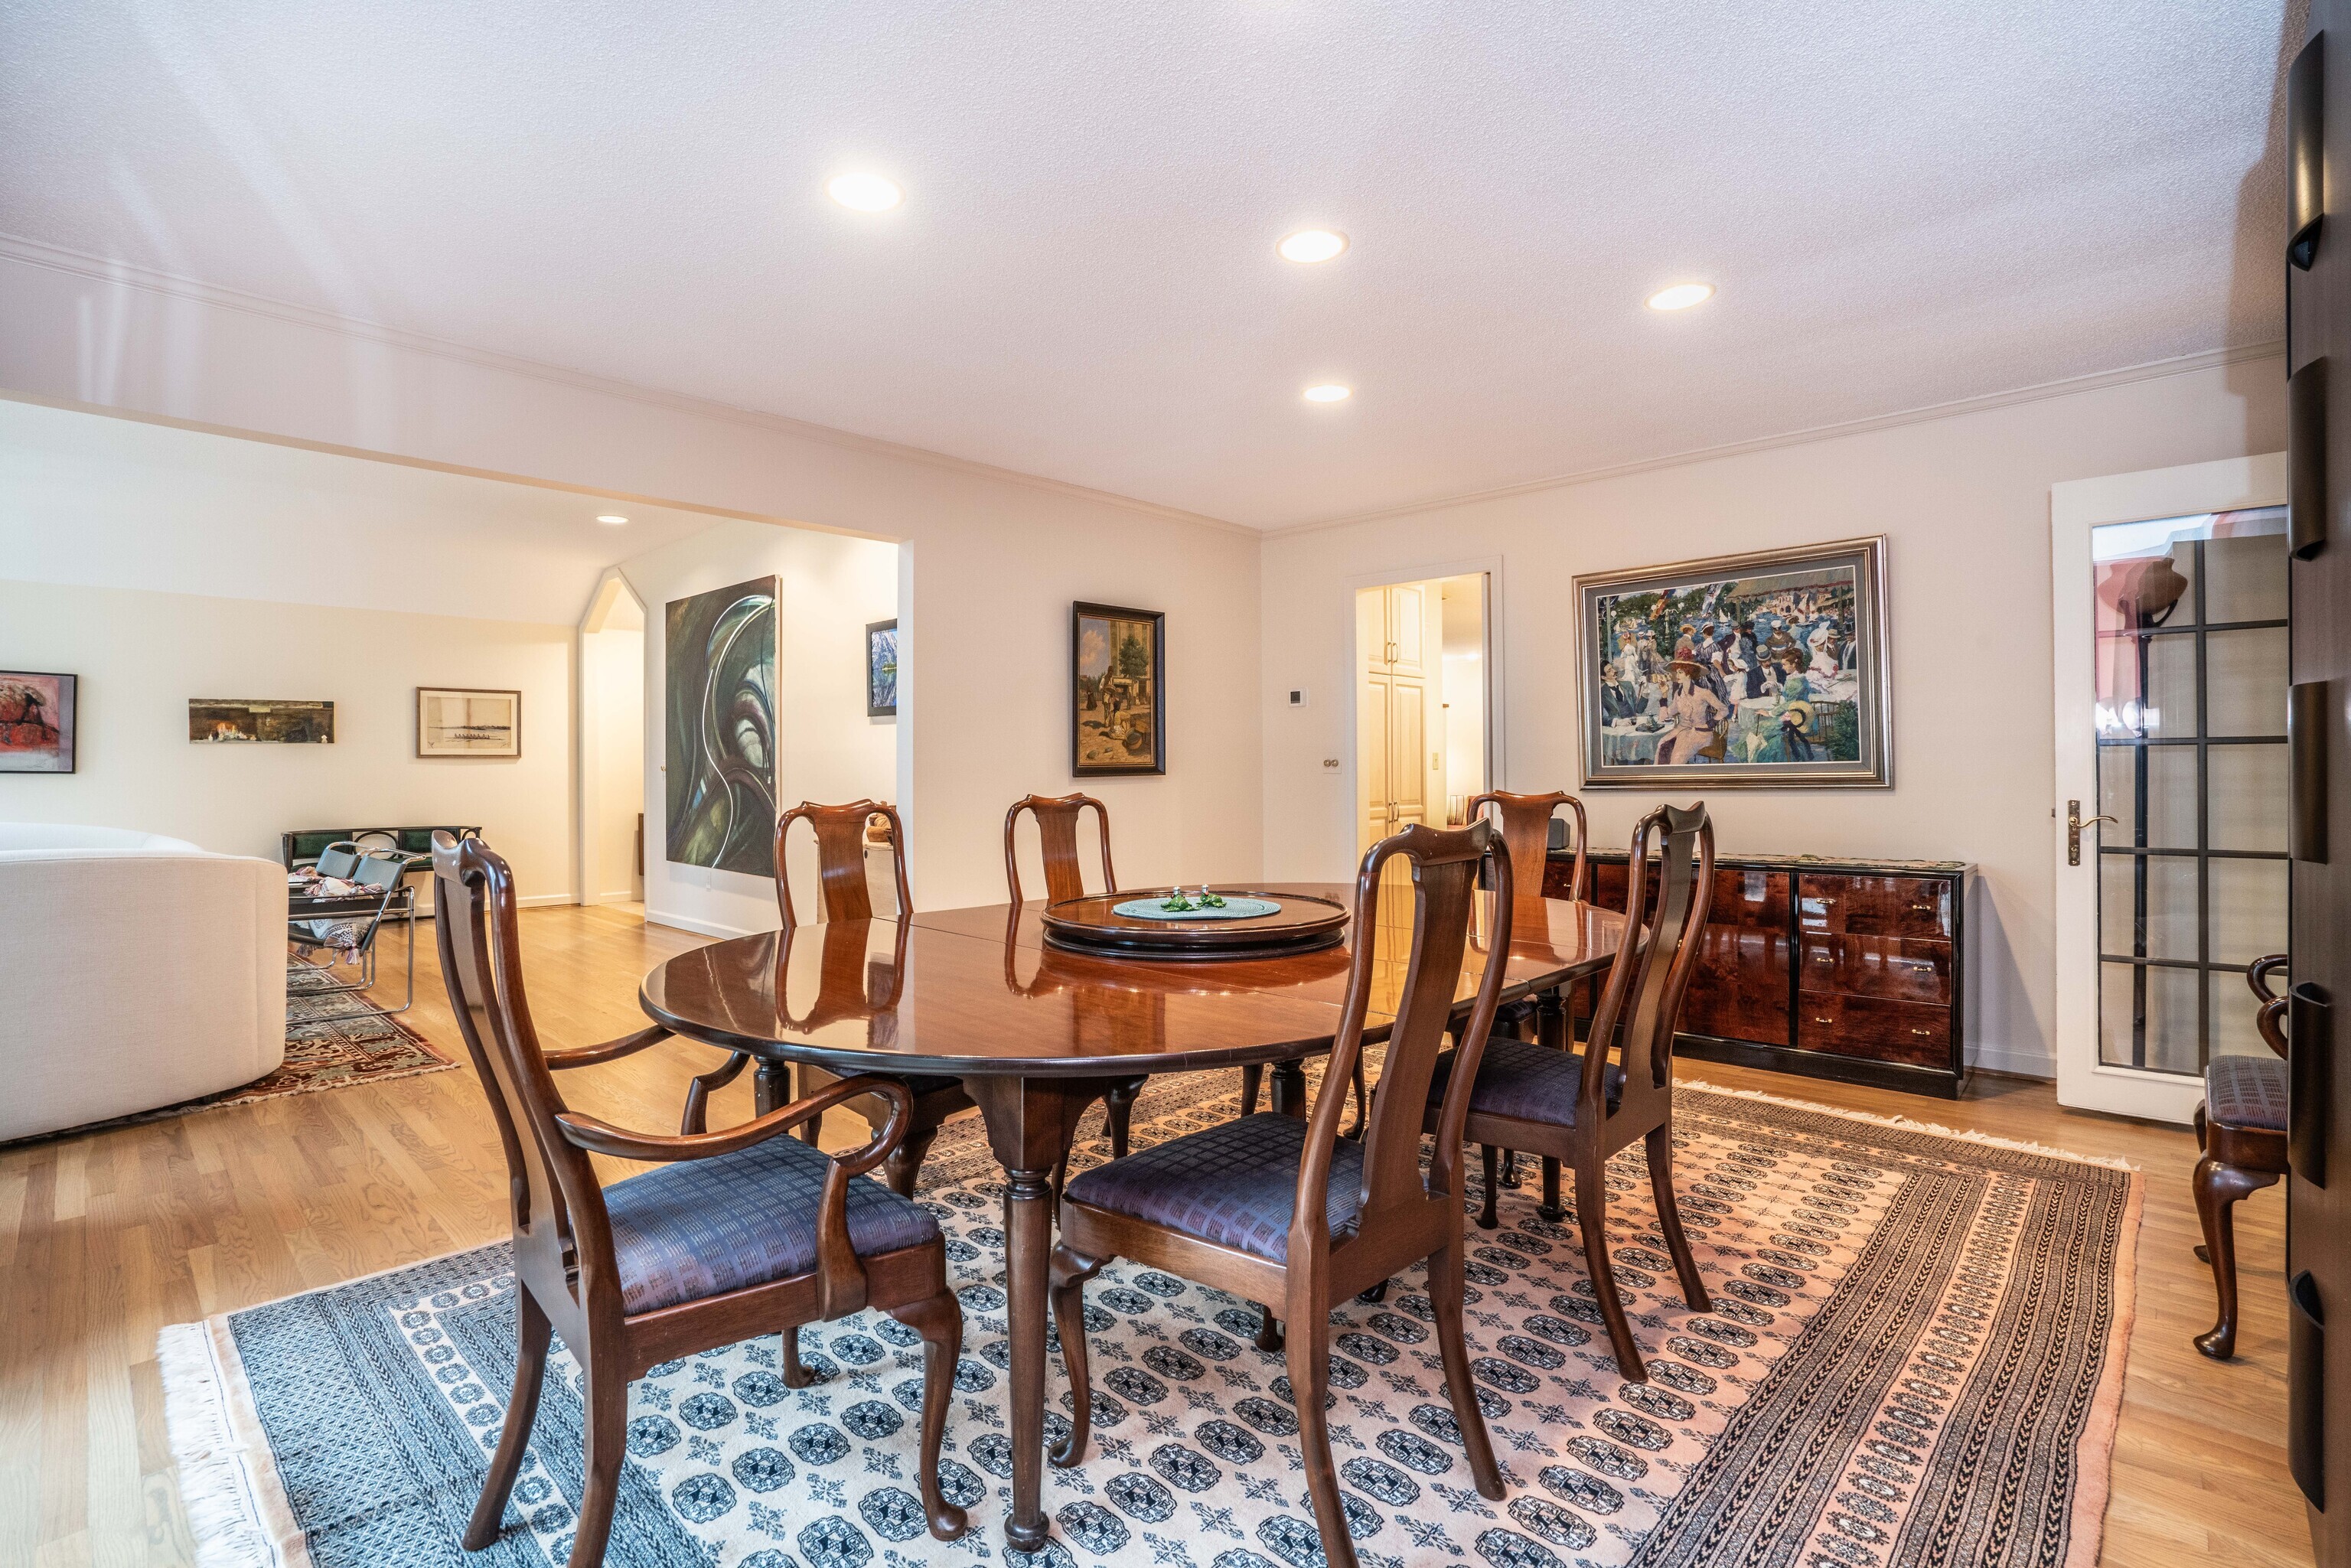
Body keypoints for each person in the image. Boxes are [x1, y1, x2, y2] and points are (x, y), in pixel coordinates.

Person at [1657, 659, 1730, 764]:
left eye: (1681, 672)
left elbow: (1724, 710)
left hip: (1700, 733)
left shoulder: (1703, 693)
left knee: (1678, 756)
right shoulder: (1678, 693)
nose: (1677, 675)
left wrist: (1711, 723)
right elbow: (1664, 717)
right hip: (1681, 730)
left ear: (1689, 674)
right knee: (1661, 745)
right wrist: (1664, 695)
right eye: (1677, 672)